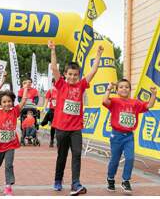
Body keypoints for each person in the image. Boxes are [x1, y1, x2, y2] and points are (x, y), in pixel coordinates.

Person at [48, 40, 104, 196]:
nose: (72, 77)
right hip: (61, 128)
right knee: (62, 156)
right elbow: (54, 67)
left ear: (79, 76)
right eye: (70, 74)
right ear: (65, 75)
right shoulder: (61, 85)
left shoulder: (81, 86)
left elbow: (93, 71)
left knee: (77, 154)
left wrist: (98, 55)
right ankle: (58, 180)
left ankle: (75, 183)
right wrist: (53, 50)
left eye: (75, 75)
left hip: (76, 129)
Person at [103, 80, 157, 194]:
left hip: (129, 137)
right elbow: (104, 101)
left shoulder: (135, 103)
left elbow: (149, 105)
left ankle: (125, 180)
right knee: (115, 160)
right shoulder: (115, 101)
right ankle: (110, 179)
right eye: (121, 87)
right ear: (117, 90)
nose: (124, 89)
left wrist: (153, 94)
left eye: (126, 87)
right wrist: (108, 89)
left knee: (130, 158)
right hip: (116, 135)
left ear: (130, 89)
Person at [18, 78, 39, 145]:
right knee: (23, 117)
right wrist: (23, 102)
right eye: (27, 82)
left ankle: (33, 129)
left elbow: (36, 98)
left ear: (31, 83)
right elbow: (19, 99)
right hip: (24, 107)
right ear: (25, 83)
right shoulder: (21, 90)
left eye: (30, 82)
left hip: (32, 107)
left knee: (35, 114)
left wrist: (35, 102)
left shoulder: (34, 90)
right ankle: (24, 131)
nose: (28, 83)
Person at [40, 78, 58, 147]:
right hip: (52, 110)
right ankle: (52, 140)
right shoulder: (50, 91)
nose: (57, 83)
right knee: (53, 126)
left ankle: (59, 141)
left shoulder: (62, 90)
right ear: (53, 83)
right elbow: (46, 100)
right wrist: (44, 108)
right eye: (55, 82)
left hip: (60, 111)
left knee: (59, 127)